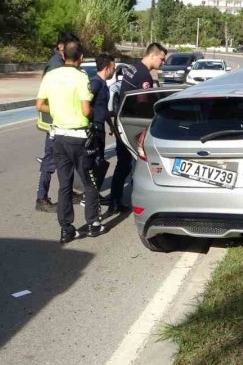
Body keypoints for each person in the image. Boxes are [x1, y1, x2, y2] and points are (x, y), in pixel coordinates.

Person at [36, 40, 103, 243]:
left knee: (64, 184)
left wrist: (57, 110)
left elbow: (39, 105)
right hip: (79, 138)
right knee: (89, 182)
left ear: (63, 56)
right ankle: (93, 224)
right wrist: (93, 114)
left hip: (58, 137)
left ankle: (66, 229)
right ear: (81, 58)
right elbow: (85, 110)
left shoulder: (50, 76)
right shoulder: (81, 77)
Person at [106, 42, 167, 217]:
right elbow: (143, 103)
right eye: (161, 59)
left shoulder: (133, 68)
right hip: (133, 125)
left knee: (123, 166)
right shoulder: (144, 75)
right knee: (135, 165)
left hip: (123, 121)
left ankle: (115, 201)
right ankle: (127, 202)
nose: (162, 63)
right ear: (153, 55)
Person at [35, 31, 77, 212]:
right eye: (71, 47)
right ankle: (41, 198)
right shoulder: (55, 65)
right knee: (51, 159)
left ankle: (67, 192)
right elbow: (50, 97)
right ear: (62, 46)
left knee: (63, 158)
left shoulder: (59, 62)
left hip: (58, 119)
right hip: (53, 121)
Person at [88, 54, 116, 192]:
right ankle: (91, 195)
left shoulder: (103, 84)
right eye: (113, 68)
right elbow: (86, 104)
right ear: (107, 68)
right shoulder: (95, 83)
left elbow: (103, 108)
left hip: (101, 127)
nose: (114, 71)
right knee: (95, 162)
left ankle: (95, 194)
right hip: (94, 129)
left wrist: (110, 124)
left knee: (99, 161)